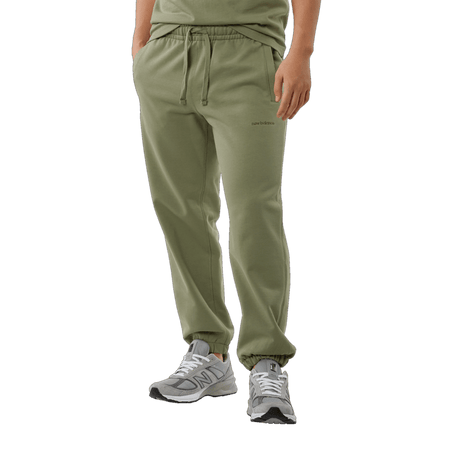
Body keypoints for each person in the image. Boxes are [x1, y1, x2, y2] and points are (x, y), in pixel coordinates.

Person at [131, 0, 322, 425]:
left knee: (254, 211)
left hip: (249, 52)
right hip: (166, 51)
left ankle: (267, 360)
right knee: (178, 208)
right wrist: (141, 43)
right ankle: (208, 351)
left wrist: (301, 52)